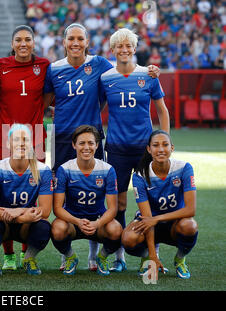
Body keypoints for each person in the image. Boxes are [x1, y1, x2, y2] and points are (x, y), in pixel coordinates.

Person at [44, 23, 160, 271]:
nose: (75, 43)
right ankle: (68, 255)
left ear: (87, 42)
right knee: (62, 194)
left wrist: (148, 70)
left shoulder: (99, 65)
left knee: (100, 195)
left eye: (80, 39)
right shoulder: (53, 69)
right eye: (71, 39)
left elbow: (123, 71)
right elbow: (44, 99)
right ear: (63, 42)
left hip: (92, 138)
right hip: (63, 138)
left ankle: (102, 255)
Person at [100, 28, 170, 272]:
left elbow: (162, 110)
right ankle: (119, 256)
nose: (124, 49)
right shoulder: (106, 77)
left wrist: (164, 140)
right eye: (119, 46)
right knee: (118, 203)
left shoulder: (149, 75)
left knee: (150, 202)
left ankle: (152, 254)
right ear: (113, 49)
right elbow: (95, 107)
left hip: (144, 149)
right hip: (117, 148)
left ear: (134, 47)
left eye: (128, 45)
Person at [0, 25, 53, 271]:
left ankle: (28, 255)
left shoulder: (45, 65)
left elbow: (47, 97)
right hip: (4, 136)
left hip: (35, 135)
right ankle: (7, 254)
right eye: (19, 39)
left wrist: (35, 112)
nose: (23, 43)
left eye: (28, 39)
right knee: (5, 191)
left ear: (34, 42)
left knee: (32, 191)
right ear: (13, 43)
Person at [122, 130, 198, 279]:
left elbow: (191, 209)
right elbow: (147, 217)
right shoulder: (139, 175)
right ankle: (147, 258)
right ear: (149, 149)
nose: (161, 149)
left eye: (165, 145)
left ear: (172, 148)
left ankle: (180, 259)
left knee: (190, 226)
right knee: (128, 238)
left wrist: (157, 219)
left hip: (174, 223)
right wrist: (152, 256)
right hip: (148, 223)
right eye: (156, 145)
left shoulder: (184, 168)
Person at [51, 125, 122, 276]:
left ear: (97, 145)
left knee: (116, 229)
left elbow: (112, 209)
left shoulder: (107, 169)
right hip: (72, 221)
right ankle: (70, 257)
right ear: (74, 145)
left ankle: (101, 257)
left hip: (97, 221)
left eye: (91, 143)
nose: (86, 147)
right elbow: (57, 208)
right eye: (82, 143)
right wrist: (77, 222)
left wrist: (97, 223)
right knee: (57, 229)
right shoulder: (64, 169)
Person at [0, 124, 53, 276]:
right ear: (8, 144)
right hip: (3, 222)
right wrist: (21, 217)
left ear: (31, 143)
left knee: (43, 226)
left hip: (26, 225)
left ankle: (29, 258)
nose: (21, 143)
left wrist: (20, 211)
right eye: (16, 139)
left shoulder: (43, 171)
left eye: (25, 139)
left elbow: (46, 210)